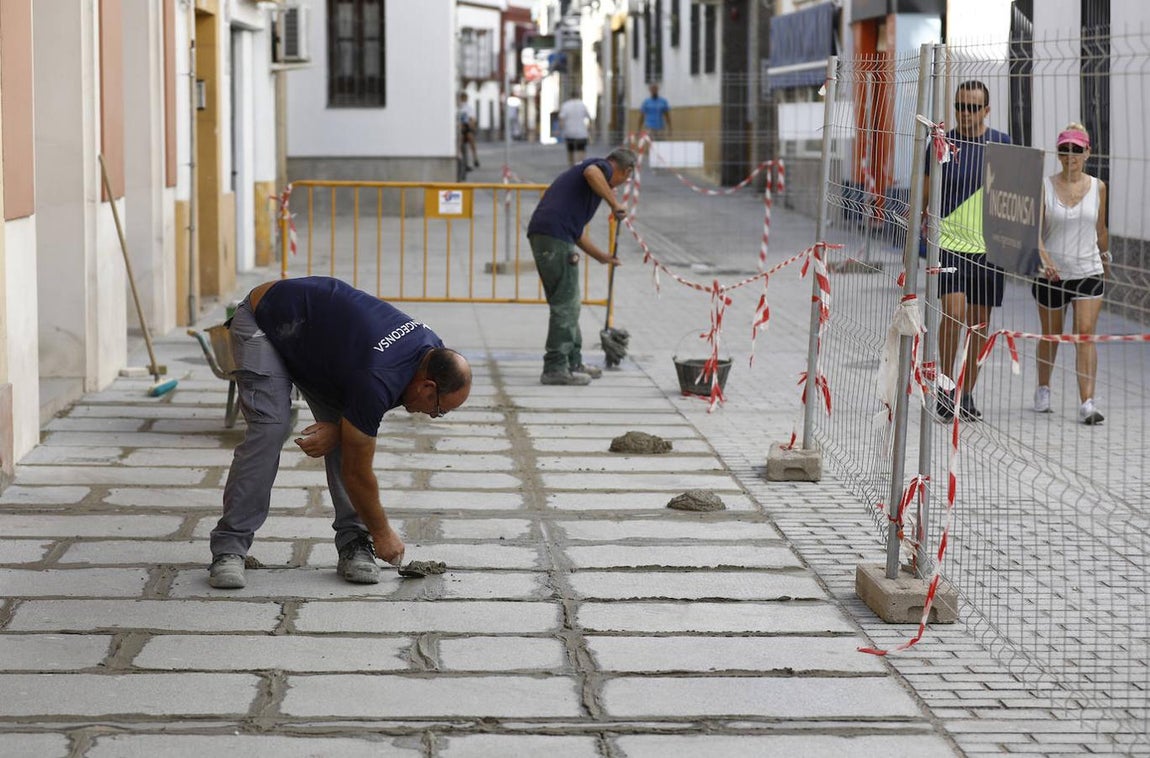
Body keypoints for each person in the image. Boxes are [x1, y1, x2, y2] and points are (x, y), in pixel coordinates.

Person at [208, 277, 473, 589]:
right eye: (439, 409)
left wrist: (341, 430)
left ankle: (354, 543)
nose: (433, 415)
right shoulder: (378, 375)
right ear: (427, 386)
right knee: (271, 428)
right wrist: (383, 533)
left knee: (351, 438)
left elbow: (369, 407)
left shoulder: (431, 353)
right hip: (266, 322)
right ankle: (229, 548)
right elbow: (357, 473)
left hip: (322, 350)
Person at [923, 80, 1011, 422]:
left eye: (973, 107)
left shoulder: (1002, 144)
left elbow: (1014, 197)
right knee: (954, 314)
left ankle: (967, 393)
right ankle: (946, 388)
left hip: (989, 249)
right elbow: (926, 193)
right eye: (960, 106)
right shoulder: (941, 143)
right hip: (949, 245)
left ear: (986, 110)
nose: (965, 113)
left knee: (979, 324)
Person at [526, 148, 636, 385]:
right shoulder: (600, 168)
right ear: (625, 170)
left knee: (570, 302)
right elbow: (591, 172)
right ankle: (555, 367)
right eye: (624, 179)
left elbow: (576, 233)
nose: (618, 185)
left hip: (553, 235)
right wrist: (614, 204)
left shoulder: (591, 180)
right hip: (552, 237)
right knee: (566, 304)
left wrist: (602, 257)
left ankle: (572, 361)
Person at [1032, 123, 1110, 425]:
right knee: (1050, 336)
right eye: (1064, 149)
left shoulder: (1099, 187)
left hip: (1088, 270)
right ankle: (1043, 388)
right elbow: (1035, 232)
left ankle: (1087, 402)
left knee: (1085, 335)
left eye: (1076, 150)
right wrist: (1044, 257)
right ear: (1058, 152)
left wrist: (1106, 259)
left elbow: (1100, 229)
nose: (1070, 155)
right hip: (1052, 274)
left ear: (1087, 152)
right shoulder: (1045, 186)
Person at [558, 90, 592, 166]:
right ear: (579, 95)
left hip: (569, 132)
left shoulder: (565, 105)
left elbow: (561, 119)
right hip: (581, 133)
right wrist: (589, 129)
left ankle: (572, 166)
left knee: (571, 150)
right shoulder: (582, 105)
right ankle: (581, 166)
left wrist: (561, 128)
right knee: (581, 150)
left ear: (570, 96)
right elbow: (589, 118)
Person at [458, 92, 479, 170]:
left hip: (467, 127)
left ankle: (475, 157)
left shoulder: (469, 108)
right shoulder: (458, 108)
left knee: (471, 140)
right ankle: (461, 158)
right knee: (460, 142)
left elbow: (472, 119)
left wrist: (471, 127)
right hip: (461, 128)